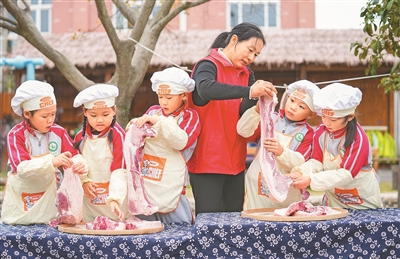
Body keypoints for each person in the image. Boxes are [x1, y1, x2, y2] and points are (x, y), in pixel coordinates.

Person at [187, 22, 277, 215]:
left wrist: (259, 98)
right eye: (250, 50)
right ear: (234, 39)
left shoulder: (247, 74)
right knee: (209, 224)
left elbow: (245, 111)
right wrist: (249, 91)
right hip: (207, 162)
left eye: (256, 55)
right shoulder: (207, 65)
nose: (251, 58)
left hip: (236, 162)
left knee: (234, 222)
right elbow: (205, 88)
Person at [2, 80, 87, 225]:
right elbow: (22, 169)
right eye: (44, 116)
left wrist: (80, 164)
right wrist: (52, 162)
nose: (50, 120)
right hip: (22, 205)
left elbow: (75, 155)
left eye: (53, 114)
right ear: (27, 114)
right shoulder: (16, 135)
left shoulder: (58, 132)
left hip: (51, 208)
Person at [290, 83, 382, 209]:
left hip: (362, 201)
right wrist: (300, 172)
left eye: (333, 120)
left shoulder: (358, 138)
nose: (327, 123)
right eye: (323, 117)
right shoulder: (321, 132)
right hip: (334, 200)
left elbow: (346, 174)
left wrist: (311, 180)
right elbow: (317, 161)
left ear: (350, 117)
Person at [127, 67, 201, 224]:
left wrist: (160, 122)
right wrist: (133, 126)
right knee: (146, 230)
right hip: (148, 182)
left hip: (171, 184)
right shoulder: (153, 111)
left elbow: (182, 142)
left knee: (181, 231)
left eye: (169, 97)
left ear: (183, 96)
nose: (163, 102)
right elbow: (137, 140)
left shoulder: (190, 117)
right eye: (160, 96)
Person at [238, 80, 319, 210]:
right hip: (257, 181)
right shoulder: (269, 117)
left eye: (301, 107)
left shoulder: (308, 133)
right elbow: (243, 130)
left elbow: (301, 163)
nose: (293, 107)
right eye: (292, 100)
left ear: (312, 114)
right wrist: (257, 111)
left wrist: (282, 152)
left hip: (286, 188)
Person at [73, 84, 129, 222]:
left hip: (115, 203)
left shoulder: (118, 135)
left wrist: (115, 199)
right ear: (85, 112)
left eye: (105, 114)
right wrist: (84, 182)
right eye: (93, 115)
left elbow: (119, 170)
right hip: (90, 205)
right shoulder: (80, 137)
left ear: (114, 111)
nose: (99, 120)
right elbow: (75, 165)